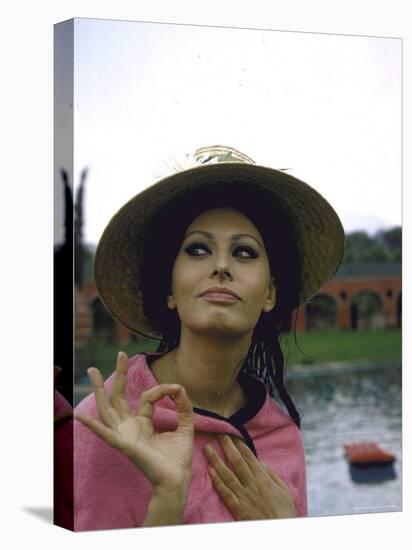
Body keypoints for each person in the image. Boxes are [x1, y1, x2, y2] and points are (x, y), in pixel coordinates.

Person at [74, 145, 345, 531]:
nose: (221, 266)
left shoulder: (283, 438)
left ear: (269, 294)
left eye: (244, 252)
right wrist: (168, 498)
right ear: (170, 287)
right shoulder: (105, 425)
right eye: (198, 249)